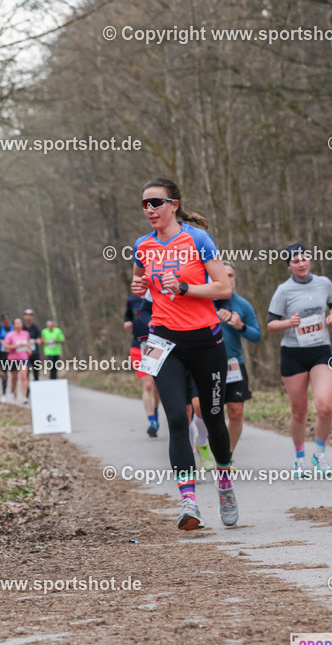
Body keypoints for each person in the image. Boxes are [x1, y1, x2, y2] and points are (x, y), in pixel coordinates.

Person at [131, 177, 236, 530]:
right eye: (144, 204)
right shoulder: (142, 246)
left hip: (206, 342)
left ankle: (224, 481)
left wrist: (188, 287)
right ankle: (188, 501)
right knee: (177, 418)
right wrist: (140, 287)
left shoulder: (197, 238)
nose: (149, 210)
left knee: (212, 417)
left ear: (174, 204)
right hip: (163, 342)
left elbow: (223, 286)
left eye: (156, 202)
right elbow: (142, 286)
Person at [266, 244, 332, 477]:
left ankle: (319, 454)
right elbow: (270, 324)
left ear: (310, 260)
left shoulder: (323, 283)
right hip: (293, 354)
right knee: (299, 411)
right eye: (296, 260)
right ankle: (300, 458)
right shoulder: (283, 290)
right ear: (289, 265)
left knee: (326, 406)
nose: (301, 263)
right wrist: (289, 323)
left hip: (320, 350)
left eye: (304, 258)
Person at [215, 261, 261, 458]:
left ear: (235, 279)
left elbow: (257, 336)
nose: (227, 279)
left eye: (231, 275)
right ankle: (204, 444)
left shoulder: (242, 305)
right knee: (207, 412)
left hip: (234, 364)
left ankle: (227, 455)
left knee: (236, 412)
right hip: (207, 365)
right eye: (223, 275)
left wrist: (241, 326)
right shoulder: (204, 302)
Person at [125, 292, 160, 437]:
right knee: (148, 385)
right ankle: (151, 421)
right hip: (138, 345)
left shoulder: (156, 295)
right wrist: (126, 323)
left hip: (156, 344)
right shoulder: (131, 300)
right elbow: (127, 316)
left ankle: (155, 413)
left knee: (156, 386)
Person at [2, 318, 31, 404]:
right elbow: (5, 346)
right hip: (13, 359)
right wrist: (16, 346)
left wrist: (29, 349)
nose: (18, 325)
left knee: (24, 376)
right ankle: (14, 395)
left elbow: (28, 344)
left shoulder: (26, 334)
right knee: (14, 378)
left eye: (20, 323)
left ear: (22, 325)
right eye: (16, 324)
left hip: (24, 358)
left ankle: (24, 397)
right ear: (14, 325)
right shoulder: (10, 335)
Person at [23, 309, 43, 385]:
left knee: (36, 372)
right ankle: (26, 393)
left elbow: (41, 338)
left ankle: (37, 389)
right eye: (27, 315)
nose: (28, 317)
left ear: (32, 317)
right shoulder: (22, 328)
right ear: (24, 316)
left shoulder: (36, 328)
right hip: (24, 355)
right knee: (25, 374)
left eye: (30, 315)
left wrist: (39, 340)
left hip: (35, 353)